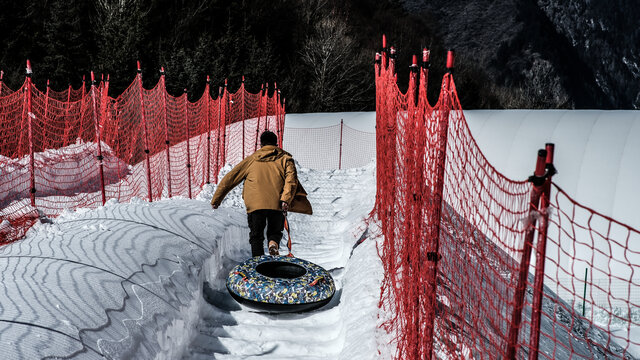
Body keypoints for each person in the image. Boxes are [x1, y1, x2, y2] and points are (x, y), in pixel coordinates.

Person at [211, 130, 312, 257]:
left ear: (261, 144)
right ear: (276, 143)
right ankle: (273, 243)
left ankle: (257, 261)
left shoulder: (251, 160)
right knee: (275, 231)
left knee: (256, 235)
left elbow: (230, 178)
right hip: (277, 202)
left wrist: (216, 200)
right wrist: (286, 199)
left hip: (255, 204)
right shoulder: (286, 159)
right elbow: (291, 181)